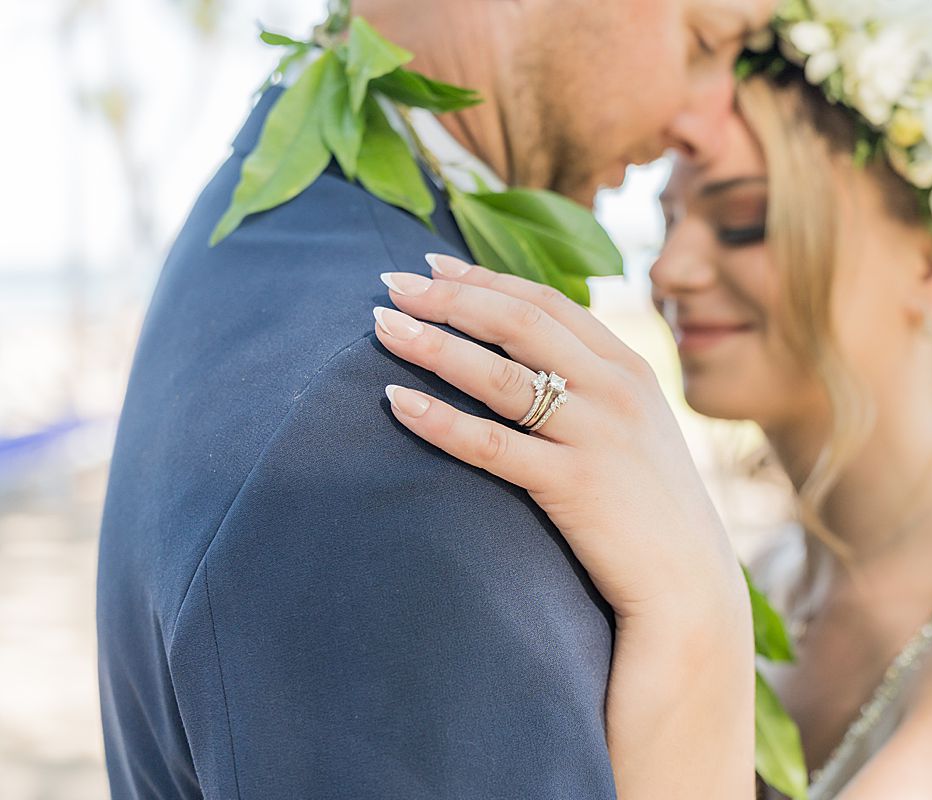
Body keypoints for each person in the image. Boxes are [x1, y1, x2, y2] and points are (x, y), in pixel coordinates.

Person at [370, 6, 932, 800]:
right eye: (668, 220)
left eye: (745, 219)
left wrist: (692, 612)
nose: (669, 270)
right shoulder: (779, 574)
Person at [95, 0, 774, 797]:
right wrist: (703, 624)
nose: (706, 121)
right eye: (703, 40)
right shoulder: (394, 430)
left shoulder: (263, 225)